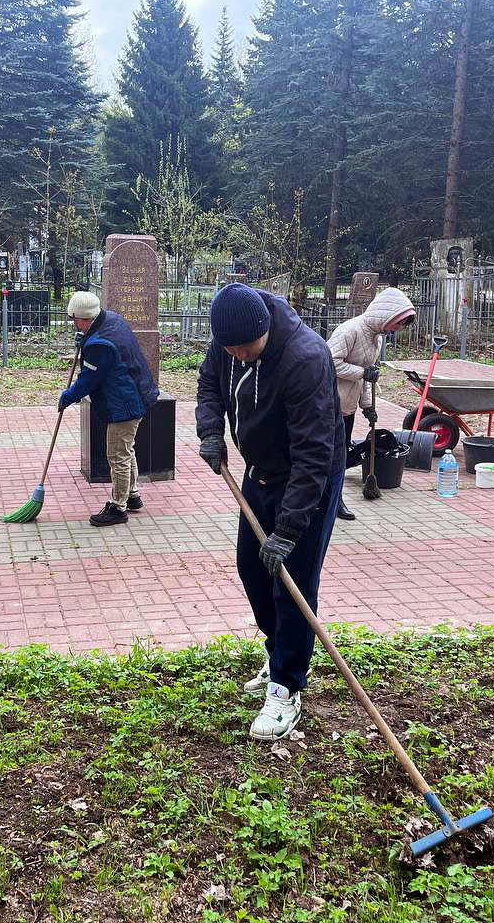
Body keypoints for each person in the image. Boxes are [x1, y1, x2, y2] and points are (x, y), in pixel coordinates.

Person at [196, 282, 345, 741]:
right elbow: (209, 384)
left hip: (307, 480)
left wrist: (289, 528)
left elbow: (313, 454)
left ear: (264, 329)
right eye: (231, 349)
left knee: (292, 583)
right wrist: (210, 431)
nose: (238, 356)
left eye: (246, 347)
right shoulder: (229, 339)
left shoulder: (305, 358)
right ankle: (277, 651)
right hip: (259, 471)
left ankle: (286, 686)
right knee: (252, 568)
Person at [58, 291, 159, 527]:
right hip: (136, 394)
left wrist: (67, 396)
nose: (73, 324)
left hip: (123, 404)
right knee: (126, 449)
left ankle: (118, 507)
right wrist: (84, 340)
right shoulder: (112, 319)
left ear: (83, 318)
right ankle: (132, 495)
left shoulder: (99, 345)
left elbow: (88, 380)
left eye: (74, 319)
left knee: (117, 454)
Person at [327, 287, 416, 520]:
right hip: (328, 405)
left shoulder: (376, 339)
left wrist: (368, 407)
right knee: (329, 456)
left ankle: (334, 500)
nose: (396, 329)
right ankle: (329, 501)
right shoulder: (349, 330)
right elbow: (329, 361)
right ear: (385, 315)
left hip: (347, 408)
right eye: (397, 324)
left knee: (340, 456)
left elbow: (366, 378)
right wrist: (362, 372)